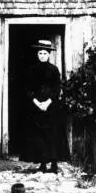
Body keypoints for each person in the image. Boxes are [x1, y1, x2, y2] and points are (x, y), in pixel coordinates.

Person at [25, 39, 62, 173]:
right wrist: (36, 102)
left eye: (45, 53)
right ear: (37, 54)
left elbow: (57, 88)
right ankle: (42, 163)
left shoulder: (54, 69)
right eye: (40, 53)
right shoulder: (32, 69)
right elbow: (28, 89)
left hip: (51, 106)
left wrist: (47, 102)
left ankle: (54, 163)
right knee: (39, 135)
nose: (42, 55)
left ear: (49, 55)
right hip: (36, 106)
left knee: (52, 133)